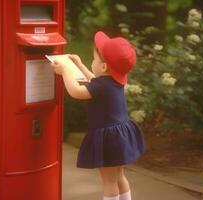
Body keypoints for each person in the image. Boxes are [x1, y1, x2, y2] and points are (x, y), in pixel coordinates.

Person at [51, 31, 146, 200]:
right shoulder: (113, 81)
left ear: (104, 67)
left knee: (109, 182)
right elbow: (94, 80)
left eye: (94, 59)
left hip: (109, 139)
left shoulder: (101, 87)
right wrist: (80, 65)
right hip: (121, 135)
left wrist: (65, 70)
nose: (92, 61)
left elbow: (76, 92)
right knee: (119, 177)